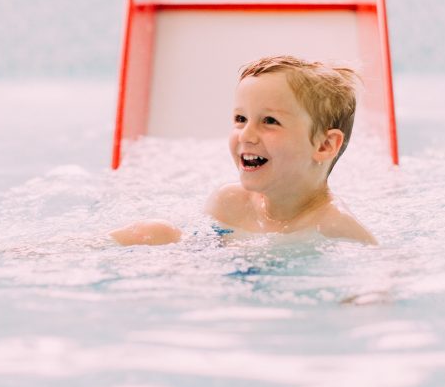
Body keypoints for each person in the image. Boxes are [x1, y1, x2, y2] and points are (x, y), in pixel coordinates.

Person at [108, 55, 377, 246]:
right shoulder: (231, 202)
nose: (246, 135)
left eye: (269, 121)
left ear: (324, 145)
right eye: (240, 119)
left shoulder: (338, 228)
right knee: (155, 231)